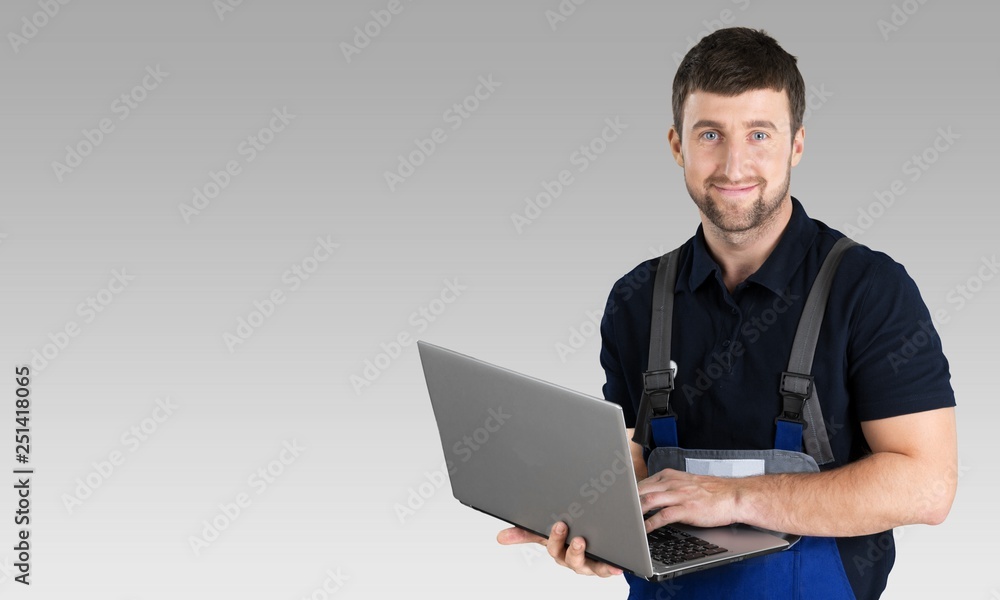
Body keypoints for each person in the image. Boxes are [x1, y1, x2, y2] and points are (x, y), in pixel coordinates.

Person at [497, 26, 957, 599]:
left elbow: (926, 485)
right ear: (676, 145)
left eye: (759, 134)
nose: (735, 165)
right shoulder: (636, 298)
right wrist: (598, 536)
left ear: (797, 144)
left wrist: (737, 499)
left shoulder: (869, 289)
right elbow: (632, 466)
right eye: (710, 133)